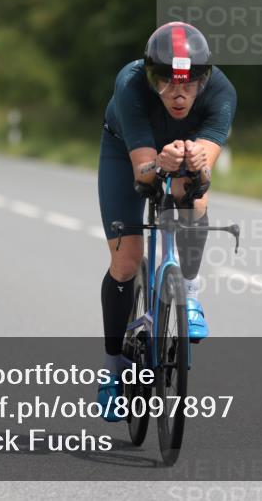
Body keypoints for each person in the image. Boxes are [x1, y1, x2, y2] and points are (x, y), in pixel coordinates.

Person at [96, 21, 236, 421]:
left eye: (190, 83)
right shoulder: (131, 84)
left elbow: (203, 173)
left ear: (204, 80)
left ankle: (189, 293)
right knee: (126, 261)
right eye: (167, 83)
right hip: (127, 151)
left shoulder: (223, 92)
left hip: (183, 153)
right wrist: (159, 163)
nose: (178, 94)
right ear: (150, 75)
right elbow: (143, 173)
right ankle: (113, 373)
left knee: (192, 194)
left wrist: (193, 164)